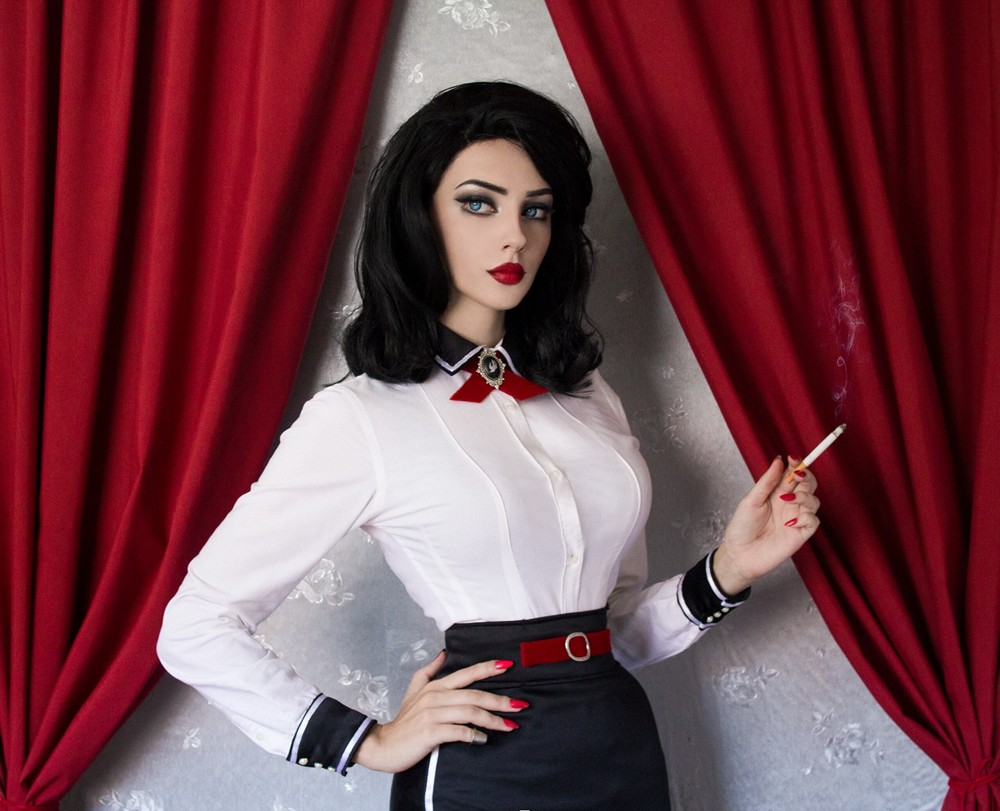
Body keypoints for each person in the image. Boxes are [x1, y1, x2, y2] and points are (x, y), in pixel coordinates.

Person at [157, 81, 820, 810]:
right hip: (483, 769)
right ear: (420, 218)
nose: (516, 237)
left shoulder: (588, 396)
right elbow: (195, 623)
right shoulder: (360, 418)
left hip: (621, 748)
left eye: (536, 209)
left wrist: (729, 569)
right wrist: (365, 740)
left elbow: (614, 634)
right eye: (479, 204)